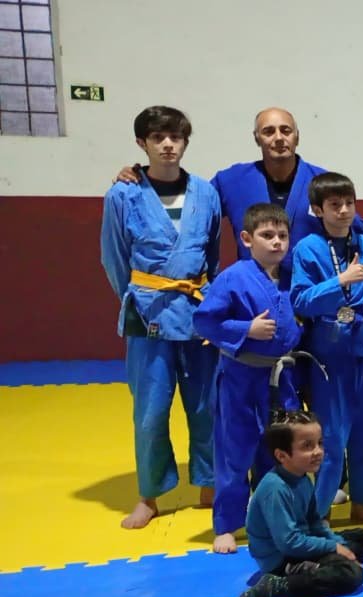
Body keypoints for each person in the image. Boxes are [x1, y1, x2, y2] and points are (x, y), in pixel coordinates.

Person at [101, 105, 220, 530]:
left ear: (186, 142)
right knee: (150, 412)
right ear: (142, 144)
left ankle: (209, 484)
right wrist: (137, 295)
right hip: (146, 312)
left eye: (175, 137)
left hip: (196, 310)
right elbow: (113, 257)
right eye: (157, 138)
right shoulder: (123, 194)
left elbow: (212, 256)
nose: (167, 145)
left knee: (206, 405)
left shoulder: (206, 192)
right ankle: (149, 495)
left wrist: (211, 307)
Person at [114, 107, 363, 284]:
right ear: (256, 138)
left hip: (312, 287)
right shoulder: (231, 181)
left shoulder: (323, 182)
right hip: (252, 291)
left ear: (297, 136)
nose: (278, 138)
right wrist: (144, 177)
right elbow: (189, 212)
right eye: (268, 131)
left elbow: (355, 229)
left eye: (285, 130)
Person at [193, 203, 303, 553]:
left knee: (280, 451)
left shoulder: (291, 275)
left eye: (282, 236)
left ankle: (277, 520)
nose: (276, 243)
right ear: (246, 238)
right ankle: (226, 525)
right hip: (241, 375)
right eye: (267, 235)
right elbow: (204, 321)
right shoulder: (233, 276)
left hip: (281, 377)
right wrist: (247, 329)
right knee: (235, 450)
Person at [290, 173, 363, 524]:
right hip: (329, 355)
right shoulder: (307, 249)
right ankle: (317, 513)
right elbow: (301, 300)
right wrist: (340, 281)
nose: (344, 211)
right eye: (335, 205)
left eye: (349, 203)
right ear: (318, 209)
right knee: (332, 436)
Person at [230, 411, 363, 597]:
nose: (318, 451)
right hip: (281, 558)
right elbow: (289, 542)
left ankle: (330, 562)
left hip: (300, 540)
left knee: (361, 537)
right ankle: (279, 586)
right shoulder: (275, 488)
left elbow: (315, 523)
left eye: (320, 443)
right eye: (307, 446)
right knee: (351, 574)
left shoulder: (302, 477)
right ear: (282, 455)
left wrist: (339, 545)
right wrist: (334, 549)